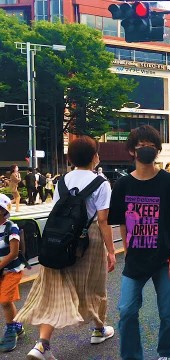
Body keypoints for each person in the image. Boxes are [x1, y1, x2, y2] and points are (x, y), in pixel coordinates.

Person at [17, 136, 116, 359]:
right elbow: (103, 220)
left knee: (54, 289)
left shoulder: (63, 181)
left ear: (70, 158)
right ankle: (99, 329)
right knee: (94, 286)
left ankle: (42, 344)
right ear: (95, 157)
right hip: (88, 239)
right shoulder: (101, 183)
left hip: (60, 239)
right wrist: (111, 251)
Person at [108, 125, 170, 360]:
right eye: (141, 146)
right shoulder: (122, 185)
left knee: (168, 312)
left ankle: (166, 354)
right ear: (132, 150)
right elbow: (121, 222)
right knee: (127, 311)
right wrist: (126, 248)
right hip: (136, 260)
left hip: (165, 258)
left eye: (151, 146)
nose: (146, 150)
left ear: (158, 150)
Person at [0, 194, 25, 352]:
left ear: (3, 211)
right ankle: (17, 326)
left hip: (11, 270)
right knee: (6, 300)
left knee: (4, 301)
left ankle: (10, 331)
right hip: (1, 270)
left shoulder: (11, 227)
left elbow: (14, 253)